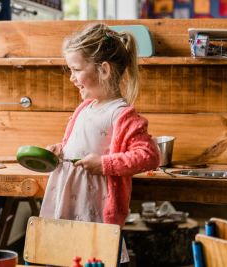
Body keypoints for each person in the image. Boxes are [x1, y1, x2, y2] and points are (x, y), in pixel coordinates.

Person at [39, 23, 160, 265]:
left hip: (93, 204)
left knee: (95, 257)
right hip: (68, 196)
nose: (72, 78)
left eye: (76, 69)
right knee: (63, 255)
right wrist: (60, 150)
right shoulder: (85, 107)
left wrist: (105, 164)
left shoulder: (121, 114)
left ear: (103, 70)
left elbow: (149, 155)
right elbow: (77, 144)